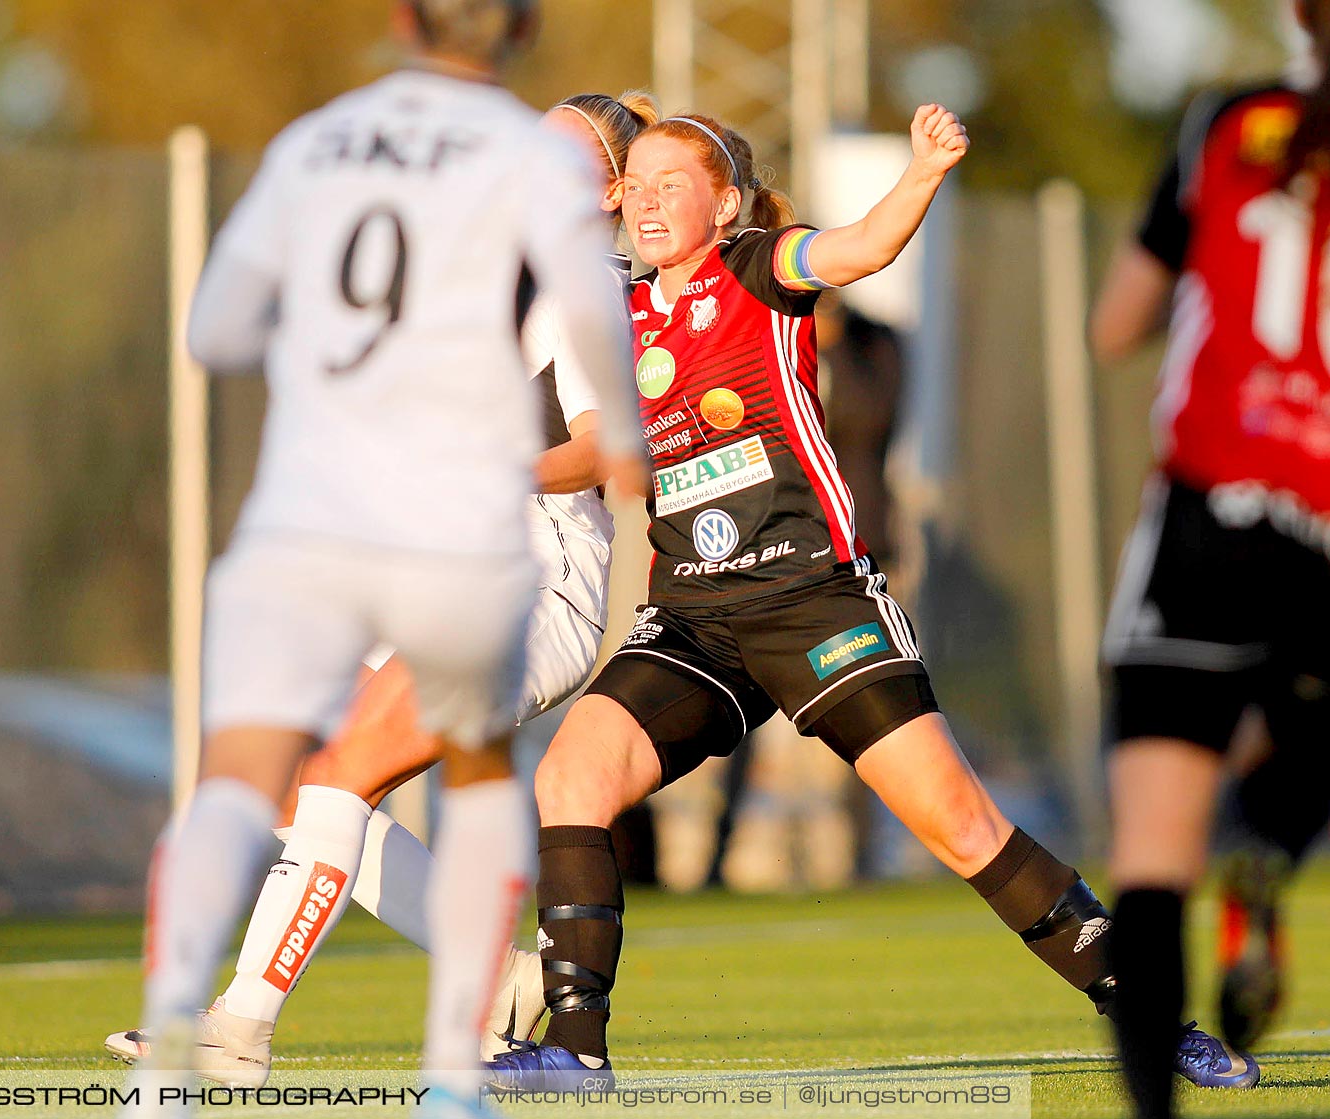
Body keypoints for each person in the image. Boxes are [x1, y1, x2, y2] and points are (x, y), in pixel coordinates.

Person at [486, 106, 1251, 1094]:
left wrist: (925, 172)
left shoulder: (758, 267)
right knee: (570, 780)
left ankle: (1157, 1021)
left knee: (962, 827)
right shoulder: (620, 314)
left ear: (724, 205)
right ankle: (578, 1052)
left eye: (670, 183)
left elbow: (864, 246)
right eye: (635, 186)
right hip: (692, 620)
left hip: (814, 605)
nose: (647, 202)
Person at [130, 2, 645, 1113]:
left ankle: (238, 1031)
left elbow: (610, 451)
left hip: (535, 578)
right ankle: (502, 985)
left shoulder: (578, 277)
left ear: (606, 194)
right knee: (302, 786)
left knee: (339, 775)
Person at [1088, 2, 1330, 1112]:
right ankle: (1271, 843)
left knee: (1149, 851)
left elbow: (1116, 323)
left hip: (1208, 513)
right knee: (1295, 760)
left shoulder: (1230, 122)